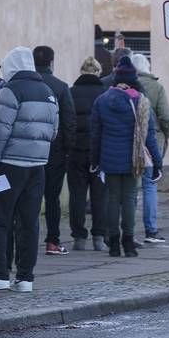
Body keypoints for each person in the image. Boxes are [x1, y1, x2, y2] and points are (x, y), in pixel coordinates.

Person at [0, 48, 58, 294]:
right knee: (29, 222)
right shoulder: (48, 92)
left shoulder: (11, 90)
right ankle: (25, 278)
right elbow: (53, 131)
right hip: (37, 166)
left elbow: (0, 130)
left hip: (9, 165)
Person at [91, 56, 161, 257]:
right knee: (129, 198)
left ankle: (113, 242)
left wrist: (94, 160)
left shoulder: (102, 101)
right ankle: (128, 243)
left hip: (109, 158)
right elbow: (150, 136)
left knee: (112, 198)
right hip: (134, 158)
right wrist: (156, 162)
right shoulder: (140, 101)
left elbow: (95, 134)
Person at [34, 46, 77, 255]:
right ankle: (52, 241)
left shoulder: (22, 86)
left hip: (29, 151)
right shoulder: (60, 87)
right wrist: (68, 149)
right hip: (54, 151)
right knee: (52, 198)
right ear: (52, 62)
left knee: (28, 197)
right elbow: (69, 121)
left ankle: (26, 238)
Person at [130, 53, 169, 244]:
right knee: (150, 185)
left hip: (130, 141)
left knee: (130, 187)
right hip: (153, 140)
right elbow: (166, 116)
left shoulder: (128, 87)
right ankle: (151, 230)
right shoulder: (157, 87)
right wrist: (166, 135)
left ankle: (128, 231)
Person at [66, 59, 108, 250]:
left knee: (77, 195)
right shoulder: (106, 94)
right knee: (100, 196)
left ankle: (79, 238)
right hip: (100, 153)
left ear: (81, 71)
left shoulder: (70, 92)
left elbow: (66, 122)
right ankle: (99, 237)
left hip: (76, 151)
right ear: (98, 72)